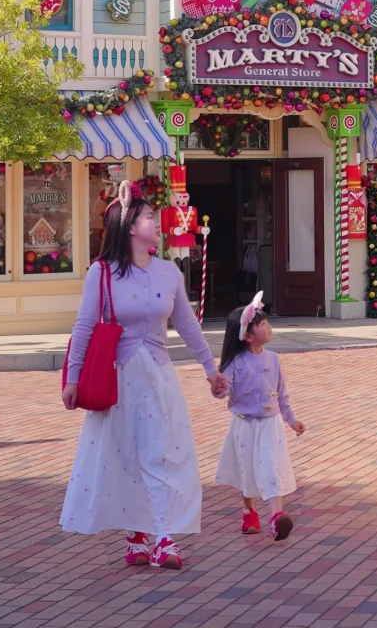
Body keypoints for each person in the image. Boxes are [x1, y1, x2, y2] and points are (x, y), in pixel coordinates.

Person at [60, 181, 228, 569]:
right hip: (117, 380)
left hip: (158, 377)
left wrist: (209, 368)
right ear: (131, 225)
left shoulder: (169, 272)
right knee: (123, 457)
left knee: (161, 454)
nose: (158, 222)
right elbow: (84, 326)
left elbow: (187, 325)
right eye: (150, 216)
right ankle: (136, 536)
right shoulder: (100, 273)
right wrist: (72, 378)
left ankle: (166, 538)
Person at [214, 292, 305, 540]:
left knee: (271, 466)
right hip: (244, 425)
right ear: (248, 335)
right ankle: (249, 510)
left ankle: (277, 516)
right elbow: (225, 391)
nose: (268, 327)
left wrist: (292, 420)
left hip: (270, 425)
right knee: (248, 471)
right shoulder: (235, 363)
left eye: (266, 323)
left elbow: (282, 395)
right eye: (262, 324)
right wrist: (218, 387)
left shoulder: (274, 360)